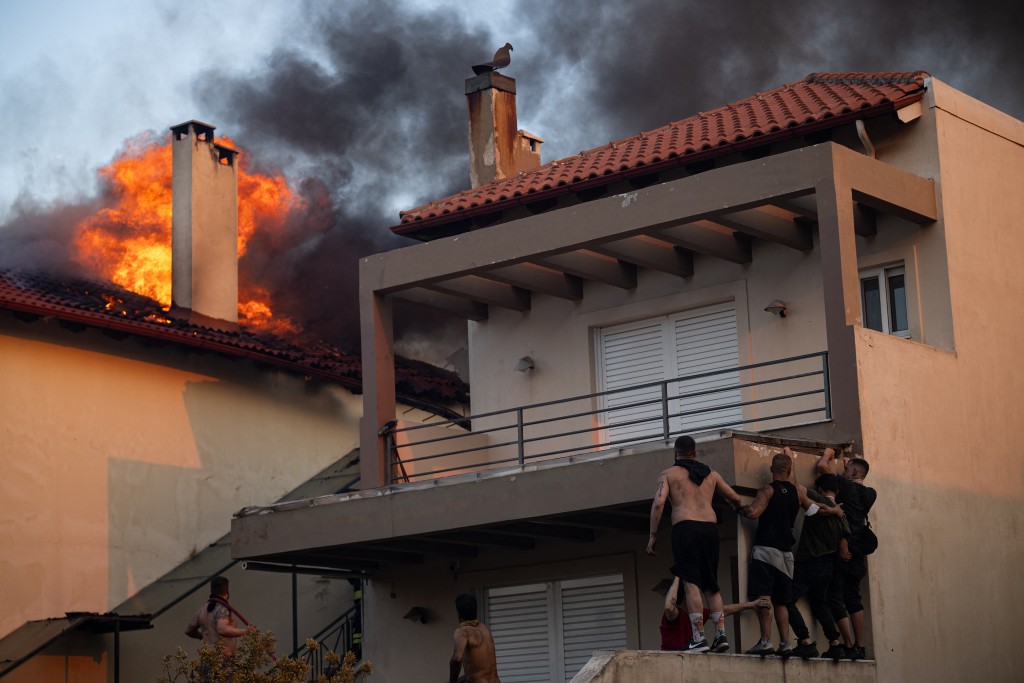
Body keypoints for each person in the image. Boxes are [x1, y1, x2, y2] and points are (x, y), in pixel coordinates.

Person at [741, 448, 844, 657]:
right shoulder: (798, 493)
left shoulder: (767, 490)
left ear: (772, 468)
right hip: (787, 555)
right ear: (789, 470)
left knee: (765, 598)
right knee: (782, 600)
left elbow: (753, 513)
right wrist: (835, 510)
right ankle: (786, 644)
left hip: (766, 550)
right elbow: (816, 509)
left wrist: (736, 503)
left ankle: (766, 642)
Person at [647, 435, 746, 653]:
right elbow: (735, 497)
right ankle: (721, 636)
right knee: (711, 585)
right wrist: (740, 507)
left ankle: (699, 638)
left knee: (691, 583)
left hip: (686, 529)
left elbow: (659, 503)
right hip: (710, 530)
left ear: (676, 453)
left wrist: (653, 535)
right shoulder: (711, 474)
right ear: (695, 452)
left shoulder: (668, 474)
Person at [817, 447, 877, 660]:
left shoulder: (846, 488)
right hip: (859, 550)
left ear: (854, 474)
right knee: (854, 598)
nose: (844, 472)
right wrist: (848, 465)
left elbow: (822, 467)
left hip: (844, 546)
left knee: (835, 596)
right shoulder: (870, 494)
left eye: (848, 470)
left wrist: (827, 454)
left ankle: (848, 645)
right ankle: (860, 647)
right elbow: (854, 476)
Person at [786, 473, 850, 660]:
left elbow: (797, 487)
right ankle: (835, 644)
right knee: (820, 604)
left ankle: (805, 641)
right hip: (827, 566)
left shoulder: (818, 498)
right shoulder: (842, 517)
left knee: (786, 599)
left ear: (820, 489)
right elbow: (843, 551)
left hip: (809, 562)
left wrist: (789, 454)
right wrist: (834, 512)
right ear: (837, 491)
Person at [660, 575, 770, 651]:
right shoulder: (675, 614)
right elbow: (669, 608)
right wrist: (678, 577)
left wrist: (751, 605)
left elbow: (723, 611)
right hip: (672, 660)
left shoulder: (697, 613)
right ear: (686, 595)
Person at [185, 575, 255, 669]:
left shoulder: (202, 610)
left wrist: (204, 636)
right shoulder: (222, 608)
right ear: (227, 591)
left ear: (212, 590)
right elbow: (222, 629)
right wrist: (246, 631)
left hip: (207, 660)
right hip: (222, 662)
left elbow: (189, 630)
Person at [450, 593, 501, 683]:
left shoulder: (463, 632)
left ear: (458, 614)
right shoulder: (485, 630)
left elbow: (457, 658)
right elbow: (479, 671)